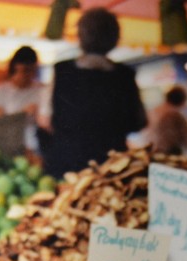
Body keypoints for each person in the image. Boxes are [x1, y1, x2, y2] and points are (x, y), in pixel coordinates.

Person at [45, 7, 146, 177]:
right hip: (111, 169)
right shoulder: (125, 76)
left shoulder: (62, 71)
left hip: (67, 167)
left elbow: (47, 120)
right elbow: (138, 122)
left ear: (80, 36)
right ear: (115, 37)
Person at [0, 46, 49, 158]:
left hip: (37, 147)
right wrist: (22, 114)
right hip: (10, 147)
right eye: (25, 71)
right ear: (15, 68)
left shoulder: (42, 89)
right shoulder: (1, 91)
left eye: (32, 71)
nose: (28, 75)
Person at [145, 85, 187, 155]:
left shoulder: (153, 111)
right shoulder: (176, 115)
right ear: (183, 101)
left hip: (152, 153)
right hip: (171, 155)